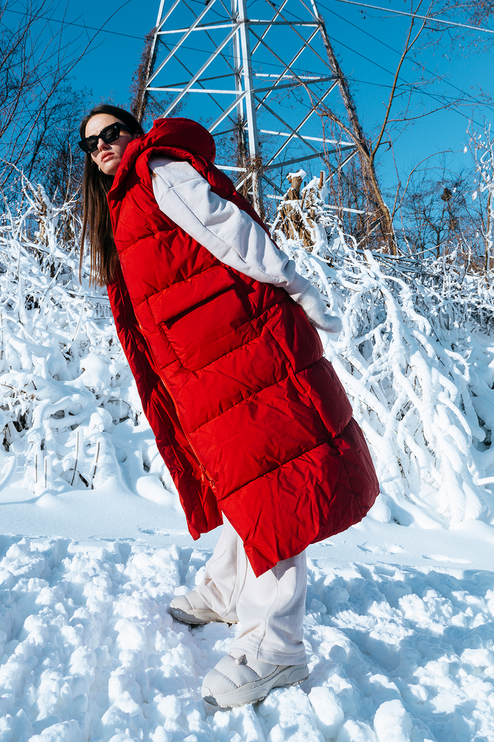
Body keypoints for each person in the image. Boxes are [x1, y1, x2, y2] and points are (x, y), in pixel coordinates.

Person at [79, 103, 379, 709]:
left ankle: (276, 647)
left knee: (276, 487)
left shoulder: (157, 169)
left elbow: (230, 231)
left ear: (137, 134)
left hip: (249, 350)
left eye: (115, 132)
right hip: (214, 363)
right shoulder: (124, 203)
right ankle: (225, 589)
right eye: (92, 143)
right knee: (247, 479)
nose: (106, 145)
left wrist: (298, 287)